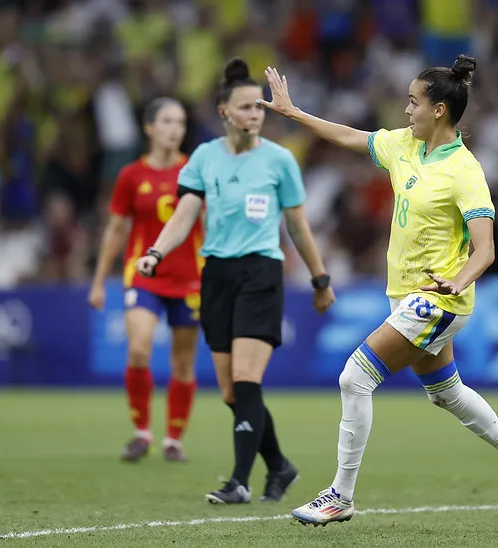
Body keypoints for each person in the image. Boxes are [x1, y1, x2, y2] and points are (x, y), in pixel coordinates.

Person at [257, 54, 498, 526]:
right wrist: (293, 113)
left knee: (355, 377)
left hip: (439, 298)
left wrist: (459, 279)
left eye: (413, 102)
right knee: (445, 391)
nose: (405, 110)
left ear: (439, 111)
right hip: (408, 294)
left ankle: (340, 496)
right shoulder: (405, 147)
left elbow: (486, 248)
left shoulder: (465, 171)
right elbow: (350, 136)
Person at [135, 58, 336, 504]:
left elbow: (298, 227)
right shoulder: (204, 158)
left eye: (260, 109)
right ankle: (280, 466)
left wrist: (320, 278)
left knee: (246, 378)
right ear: (224, 112)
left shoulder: (279, 161)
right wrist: (155, 252)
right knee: (231, 391)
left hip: (261, 272)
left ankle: (240, 482)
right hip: (218, 276)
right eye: (245, 108)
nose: (255, 115)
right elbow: (186, 213)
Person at [89, 97, 201, 463]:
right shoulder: (131, 176)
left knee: (182, 362)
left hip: (189, 279)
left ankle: (173, 440)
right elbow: (116, 229)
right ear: (149, 127)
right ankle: (141, 433)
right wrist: (98, 280)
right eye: (167, 121)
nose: (175, 129)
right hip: (144, 276)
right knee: (139, 349)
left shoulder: (196, 171)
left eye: (180, 122)